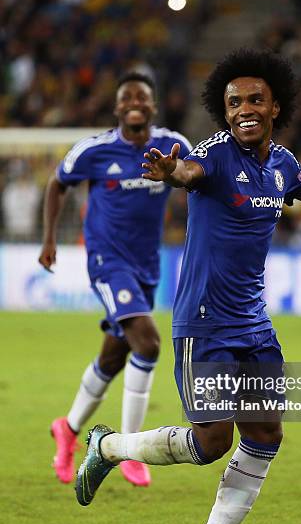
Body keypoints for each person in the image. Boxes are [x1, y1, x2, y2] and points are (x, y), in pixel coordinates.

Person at [75, 49, 301, 524]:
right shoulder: (216, 154)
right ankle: (108, 448)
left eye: (254, 100)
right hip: (205, 324)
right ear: (224, 111)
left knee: (266, 432)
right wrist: (171, 169)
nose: (243, 108)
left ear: (273, 107)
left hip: (254, 325)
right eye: (234, 102)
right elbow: (189, 171)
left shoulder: (281, 163)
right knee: (211, 441)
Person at [38, 72, 192, 487]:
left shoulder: (171, 144)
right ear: (118, 107)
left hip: (146, 265)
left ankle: (67, 430)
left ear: (153, 106)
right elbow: (57, 183)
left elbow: (198, 175)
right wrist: (49, 238)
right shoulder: (95, 150)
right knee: (149, 342)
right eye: (127, 97)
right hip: (107, 261)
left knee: (113, 357)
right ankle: (128, 450)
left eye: (142, 96)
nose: (135, 102)